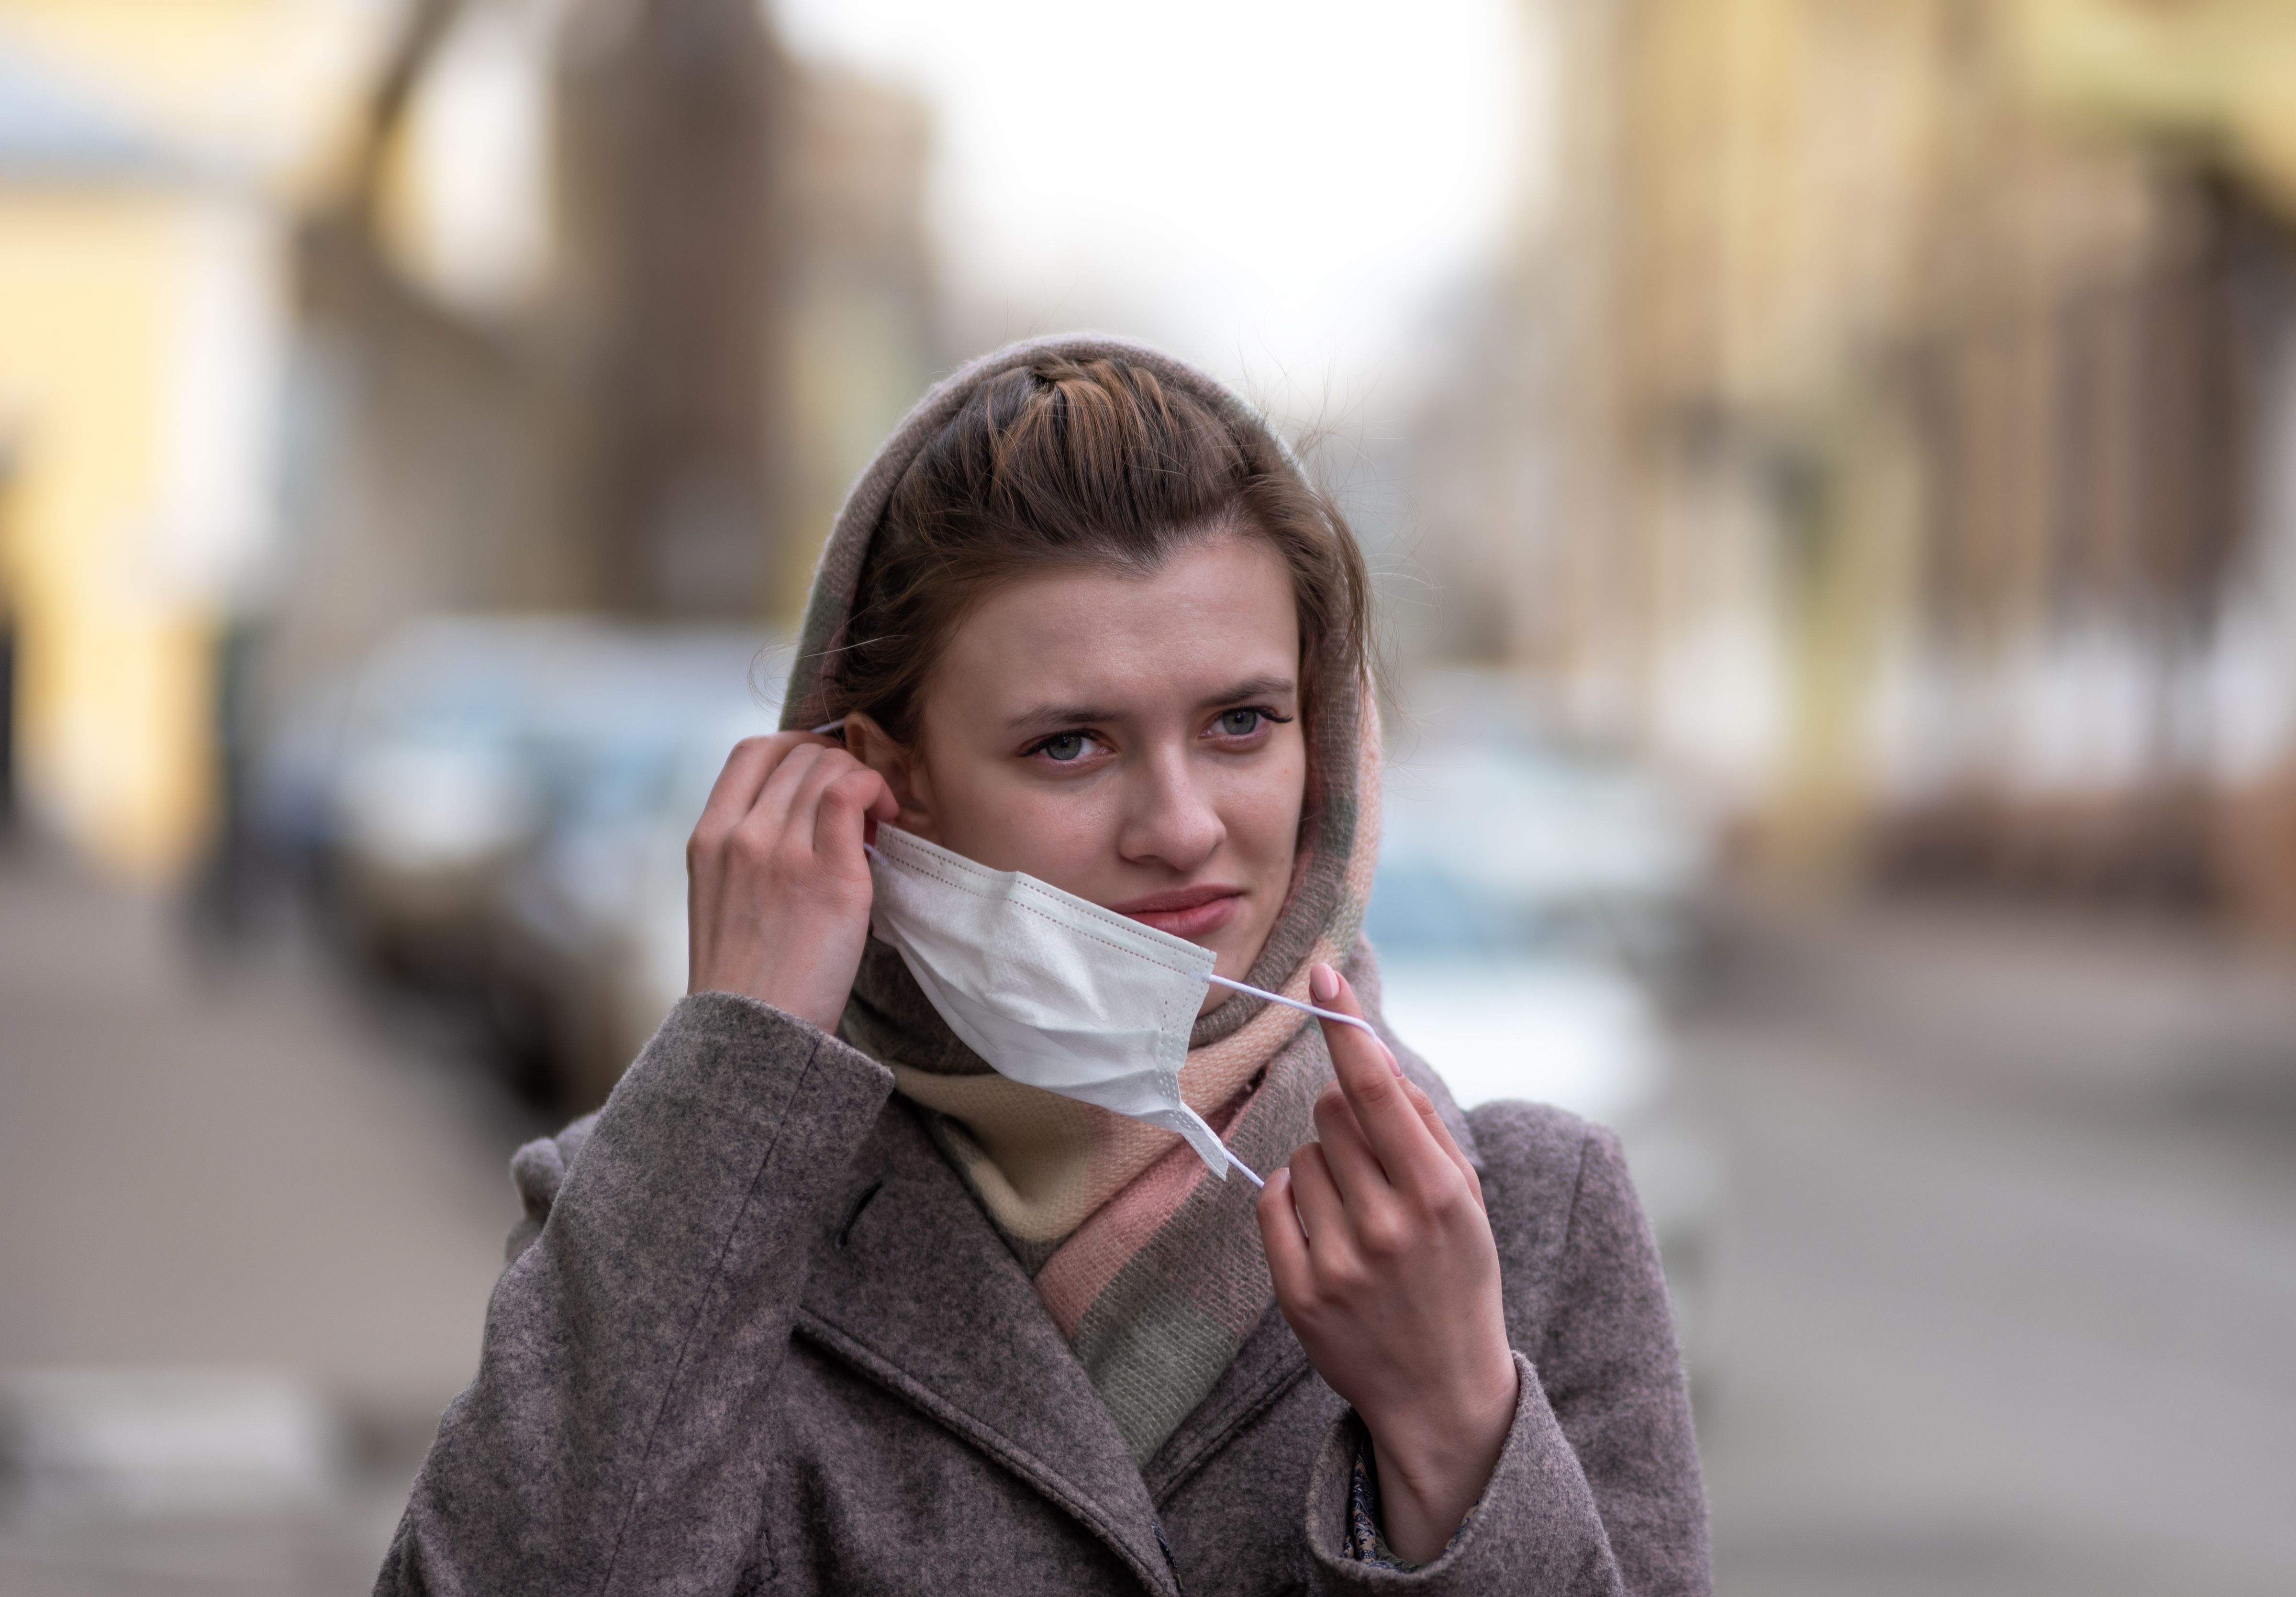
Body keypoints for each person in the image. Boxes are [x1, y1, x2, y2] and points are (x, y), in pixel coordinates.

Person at [375, 335, 1709, 1595]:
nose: (1180, 825)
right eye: (1070, 744)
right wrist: (737, 1065)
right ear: (887, 778)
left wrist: (1456, 1427)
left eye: (1243, 723)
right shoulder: (675, 1205)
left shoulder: (1532, 1221)